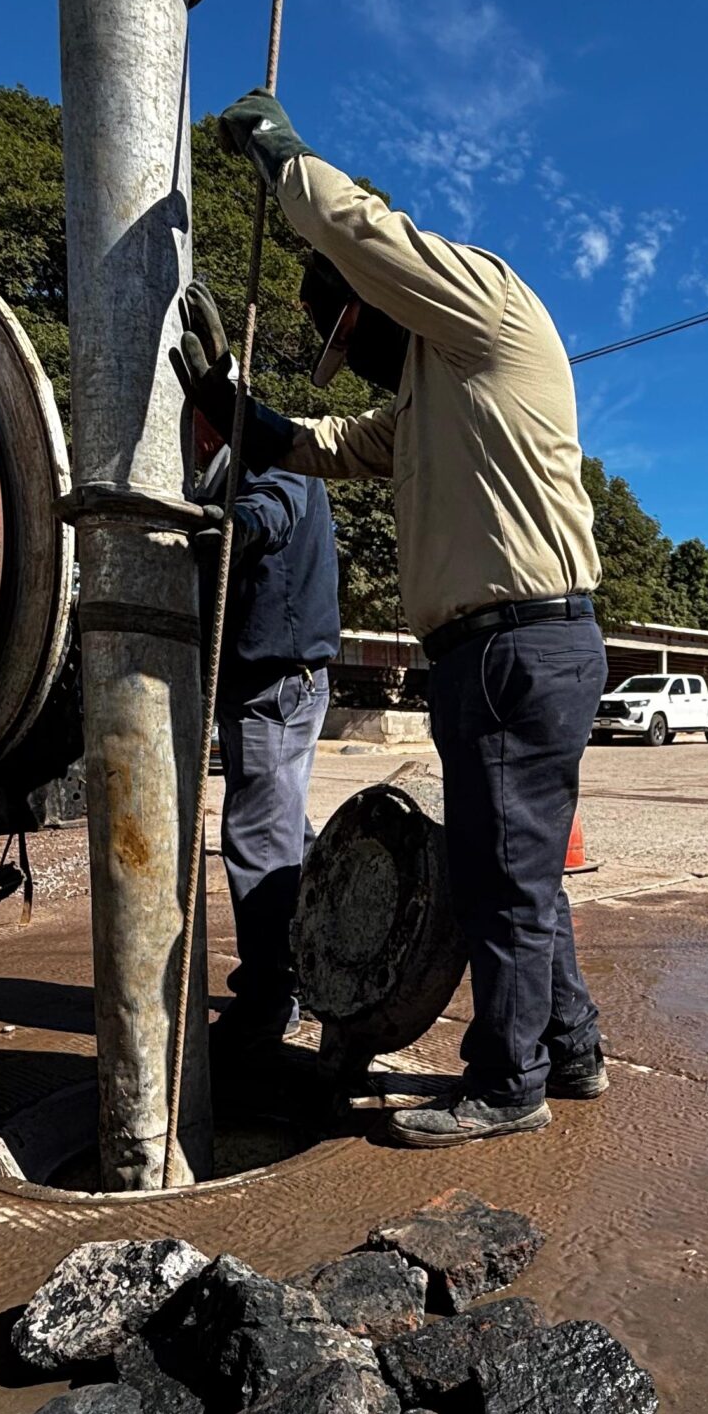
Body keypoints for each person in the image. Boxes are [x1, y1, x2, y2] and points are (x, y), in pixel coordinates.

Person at [174, 87, 607, 1148]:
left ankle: (509, 1083)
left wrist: (280, 153)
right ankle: (571, 1049)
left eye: (349, 337)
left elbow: (357, 229)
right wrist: (234, 408)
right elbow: (322, 445)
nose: (353, 364)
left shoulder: (484, 314)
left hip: (517, 642)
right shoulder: (427, 402)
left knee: (500, 875)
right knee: (514, 867)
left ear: (370, 307)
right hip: (488, 653)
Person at [195, 435, 340, 1086]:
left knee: (257, 839)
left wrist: (229, 524)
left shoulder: (272, 458)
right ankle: (325, 973)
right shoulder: (241, 461)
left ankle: (266, 1004)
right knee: (286, 834)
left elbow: (271, 508)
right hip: (279, 681)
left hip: (271, 683)